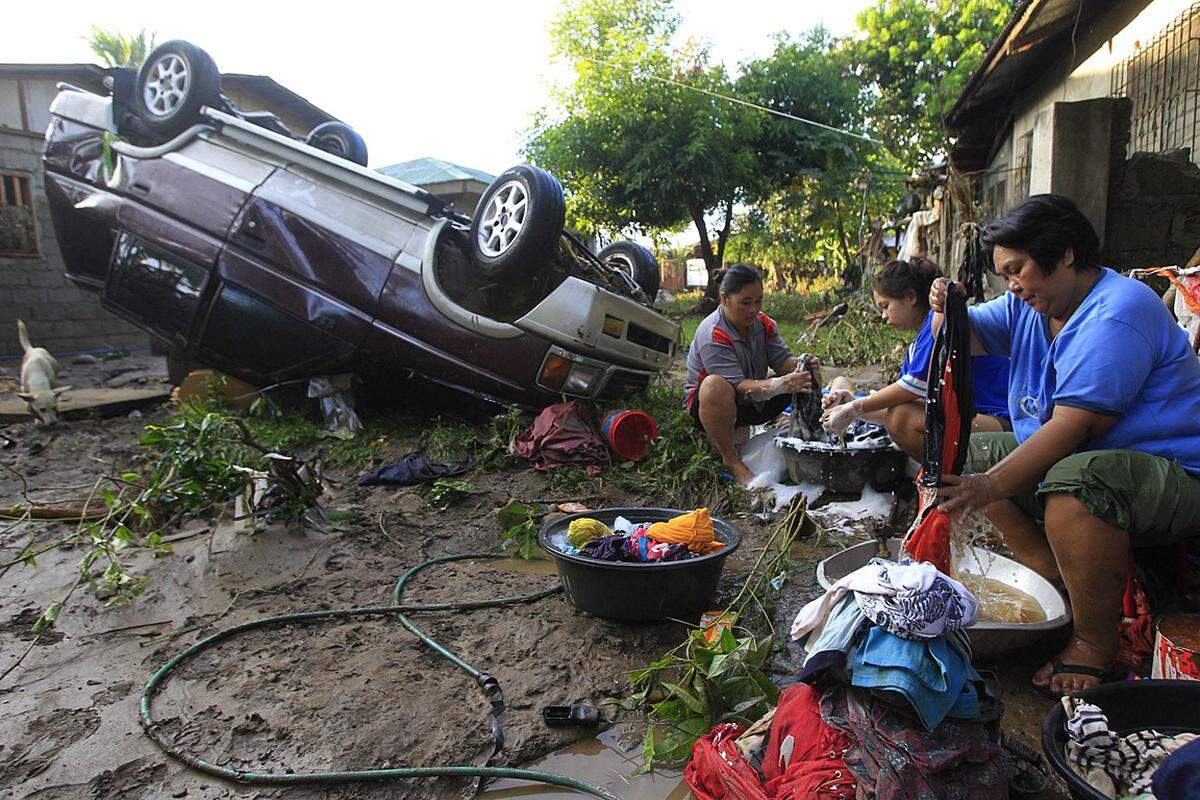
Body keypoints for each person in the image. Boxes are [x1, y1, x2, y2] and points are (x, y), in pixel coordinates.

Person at [931, 194, 1200, 696]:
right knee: (963, 452)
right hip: (1089, 458)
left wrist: (987, 487)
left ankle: (1095, 644)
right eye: (1005, 275)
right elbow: (966, 337)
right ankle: (1051, 573)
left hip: (1175, 471)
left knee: (1074, 487)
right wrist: (947, 307)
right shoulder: (1032, 305)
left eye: (1019, 270)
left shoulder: (1116, 313)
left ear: (1067, 253)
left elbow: (1075, 427)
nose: (1013, 285)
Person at [820, 258, 1011, 460]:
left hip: (998, 418)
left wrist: (854, 407)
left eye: (886, 306)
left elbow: (908, 391)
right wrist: (853, 405)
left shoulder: (937, 325)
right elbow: (893, 407)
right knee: (899, 414)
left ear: (910, 297)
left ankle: (949, 478)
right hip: (975, 419)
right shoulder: (915, 348)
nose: (883, 316)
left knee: (902, 418)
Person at [683, 264, 815, 486]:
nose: (753, 309)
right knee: (714, 385)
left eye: (758, 302)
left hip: (752, 401)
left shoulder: (763, 324)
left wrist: (802, 364)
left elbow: (783, 362)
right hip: (716, 403)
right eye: (745, 303)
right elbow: (738, 387)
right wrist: (780, 384)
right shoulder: (712, 332)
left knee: (806, 372)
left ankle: (811, 436)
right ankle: (731, 461)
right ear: (724, 299)